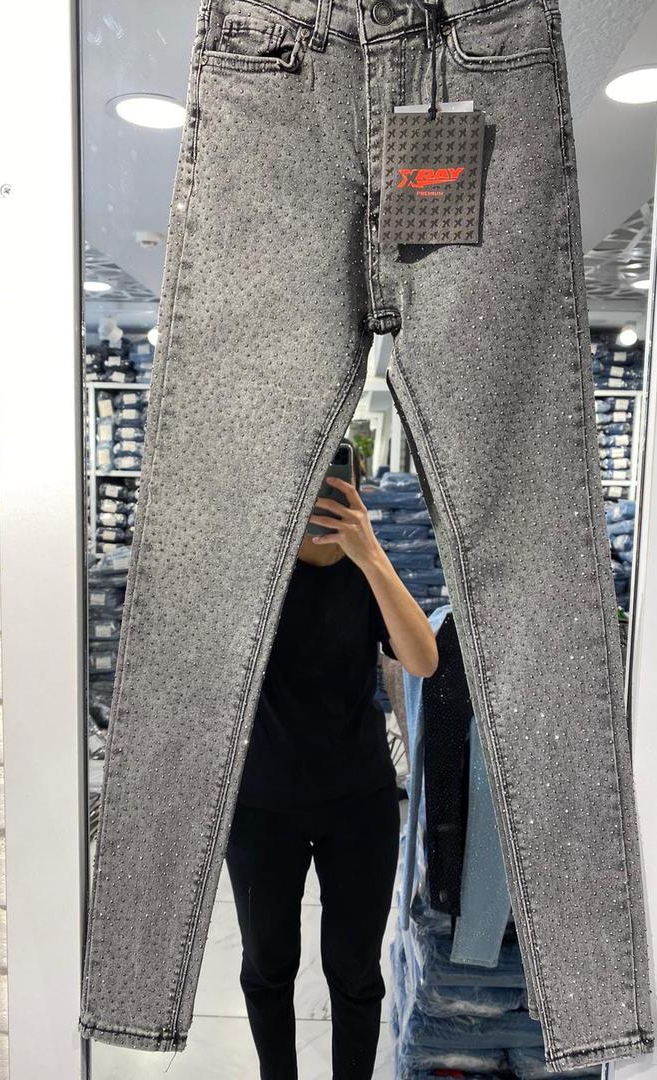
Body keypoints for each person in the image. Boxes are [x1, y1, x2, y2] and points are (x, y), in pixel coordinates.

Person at [225, 438, 438, 1080]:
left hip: (359, 801)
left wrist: (371, 555)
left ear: (358, 491)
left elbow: (423, 659)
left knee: (353, 970)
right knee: (267, 965)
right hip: (262, 802)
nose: (323, 498)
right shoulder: (257, 573)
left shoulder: (370, 572)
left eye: (338, 483)